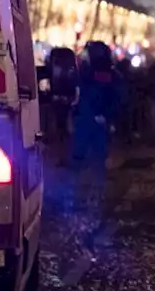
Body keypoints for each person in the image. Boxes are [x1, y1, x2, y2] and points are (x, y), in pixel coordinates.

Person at [72, 41, 120, 214]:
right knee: (95, 162)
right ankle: (91, 196)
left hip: (88, 123)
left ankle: (83, 196)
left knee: (84, 160)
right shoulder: (109, 75)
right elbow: (119, 98)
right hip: (95, 123)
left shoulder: (87, 74)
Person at [45, 47, 78, 164]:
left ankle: (63, 157)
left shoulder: (55, 70)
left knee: (61, 131)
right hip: (67, 102)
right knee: (65, 131)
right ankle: (67, 156)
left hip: (60, 102)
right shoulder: (72, 71)